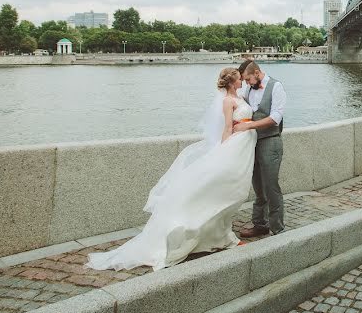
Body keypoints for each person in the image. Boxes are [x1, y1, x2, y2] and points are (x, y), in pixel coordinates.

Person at [86, 67, 257, 271]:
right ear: (231, 82)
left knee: (231, 194)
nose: (242, 81)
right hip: (234, 146)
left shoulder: (240, 96)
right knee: (223, 194)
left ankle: (222, 235)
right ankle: (218, 235)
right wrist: (223, 152)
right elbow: (227, 127)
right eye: (239, 79)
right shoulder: (228, 101)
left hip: (244, 148)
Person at [234, 61, 286, 237]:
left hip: (271, 141)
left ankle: (277, 228)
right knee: (258, 187)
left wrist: (249, 126)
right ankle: (259, 225)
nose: (247, 83)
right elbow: (234, 96)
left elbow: (275, 117)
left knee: (271, 186)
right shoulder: (248, 88)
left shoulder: (276, 86)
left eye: (248, 79)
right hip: (252, 142)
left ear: (257, 72)